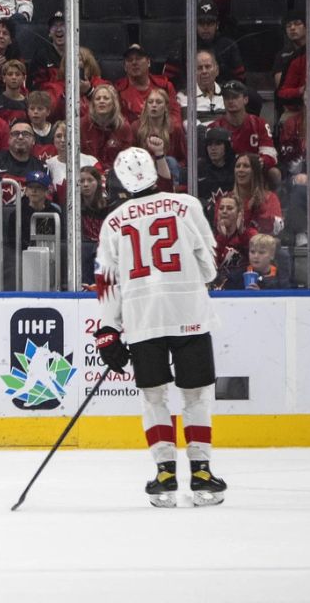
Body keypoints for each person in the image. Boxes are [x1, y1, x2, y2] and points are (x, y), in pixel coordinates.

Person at [94, 146, 227, 508]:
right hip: (189, 312)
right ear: (155, 170)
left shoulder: (113, 221)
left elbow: (107, 280)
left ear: (120, 180)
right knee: (196, 394)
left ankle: (165, 475)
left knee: (153, 396)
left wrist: (108, 329)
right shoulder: (187, 205)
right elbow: (211, 263)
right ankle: (201, 473)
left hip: (142, 317)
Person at [208, 80, 278, 185]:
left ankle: (271, 200)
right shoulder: (214, 127)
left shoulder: (259, 124)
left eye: (235, 97)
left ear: (245, 99)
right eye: (227, 98)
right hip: (224, 173)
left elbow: (271, 155)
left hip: (253, 171)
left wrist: (252, 164)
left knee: (274, 173)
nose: (231, 101)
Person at [115, 44, 181, 126]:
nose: (134, 62)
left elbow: (175, 119)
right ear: (125, 67)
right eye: (129, 60)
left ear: (148, 62)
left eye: (138, 58)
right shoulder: (117, 91)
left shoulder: (165, 86)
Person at [0, 119, 47, 203]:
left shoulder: (40, 166)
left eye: (25, 134)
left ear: (33, 140)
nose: (20, 137)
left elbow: (47, 195)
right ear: (9, 139)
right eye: (15, 134)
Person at [132, 88, 186, 181]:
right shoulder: (136, 127)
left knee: (170, 161)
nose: (154, 105)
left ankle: (172, 190)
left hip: (169, 171)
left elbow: (184, 159)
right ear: (146, 105)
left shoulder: (175, 128)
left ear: (165, 106)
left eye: (158, 102)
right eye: (150, 102)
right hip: (144, 171)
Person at [45, 120, 100, 208]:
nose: (63, 140)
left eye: (67, 136)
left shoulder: (91, 161)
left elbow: (101, 191)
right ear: (53, 139)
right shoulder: (49, 165)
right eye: (59, 136)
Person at [80, 84, 134, 172]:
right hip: (89, 174)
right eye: (98, 99)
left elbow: (127, 158)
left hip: (115, 174)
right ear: (93, 104)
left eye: (106, 98)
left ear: (113, 103)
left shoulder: (123, 127)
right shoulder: (83, 124)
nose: (102, 101)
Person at [211, 193, 256, 290]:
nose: (224, 211)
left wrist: (242, 234)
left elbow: (257, 258)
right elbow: (212, 267)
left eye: (230, 208)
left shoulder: (250, 234)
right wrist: (222, 239)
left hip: (244, 287)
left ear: (239, 213)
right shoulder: (211, 238)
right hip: (219, 289)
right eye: (221, 208)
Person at [231, 153, 283, 236]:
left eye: (246, 166)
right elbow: (226, 232)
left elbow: (276, 228)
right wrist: (248, 209)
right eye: (237, 166)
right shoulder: (227, 199)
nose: (240, 170)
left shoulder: (270, 198)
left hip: (261, 246)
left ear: (255, 171)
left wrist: (259, 209)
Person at [176, 50, 226, 127]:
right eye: (199, 68)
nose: (204, 71)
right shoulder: (184, 96)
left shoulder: (227, 93)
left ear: (217, 70)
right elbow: (190, 128)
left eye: (208, 66)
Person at [78, 166, 110, 285]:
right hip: (83, 251)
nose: (85, 184)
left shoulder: (107, 206)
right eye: (81, 181)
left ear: (98, 182)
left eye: (90, 180)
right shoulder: (72, 207)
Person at [196, 126, 235, 222]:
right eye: (209, 144)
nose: (213, 148)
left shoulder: (236, 167)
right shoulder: (199, 168)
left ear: (227, 146)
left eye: (218, 144)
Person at [29, 10, 66, 89]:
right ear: (49, 33)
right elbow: (36, 86)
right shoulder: (41, 55)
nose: (59, 29)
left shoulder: (79, 54)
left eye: (62, 25)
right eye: (54, 26)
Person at [0, 59, 29, 125]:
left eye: (17, 74)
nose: (14, 77)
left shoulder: (28, 103)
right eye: (10, 74)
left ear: (23, 78)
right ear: (4, 78)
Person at [26, 90, 56, 160]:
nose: (35, 112)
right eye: (32, 109)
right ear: (28, 111)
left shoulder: (55, 130)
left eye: (40, 109)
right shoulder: (25, 131)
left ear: (48, 112)